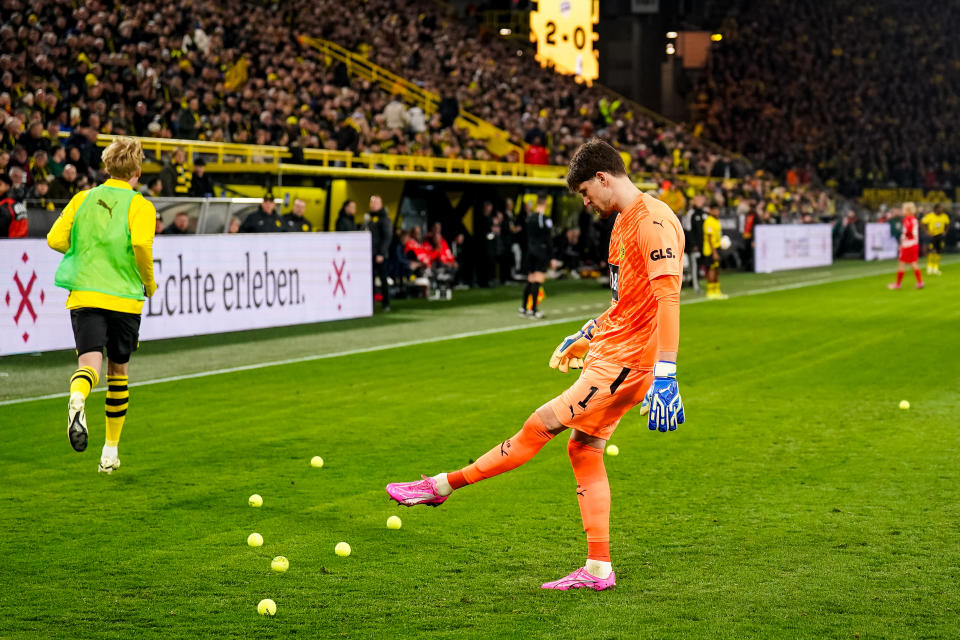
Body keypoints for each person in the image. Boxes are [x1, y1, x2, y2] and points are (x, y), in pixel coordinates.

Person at [386, 138, 686, 591]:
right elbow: (627, 302)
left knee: (541, 424)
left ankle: (444, 485)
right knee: (582, 449)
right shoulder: (624, 222)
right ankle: (599, 568)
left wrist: (667, 373)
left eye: (586, 192)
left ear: (603, 178)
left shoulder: (654, 222)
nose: (585, 203)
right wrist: (586, 333)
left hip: (627, 364)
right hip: (613, 353)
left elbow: (668, 299)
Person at [45, 136, 158, 474]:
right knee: (118, 370)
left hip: (85, 294)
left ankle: (78, 397)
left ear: (107, 167)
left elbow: (54, 239)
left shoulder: (83, 198)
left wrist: (84, 248)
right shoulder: (140, 205)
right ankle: (110, 451)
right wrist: (149, 283)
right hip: (123, 297)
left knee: (89, 364)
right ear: (137, 171)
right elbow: (140, 242)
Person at [520, 195, 552, 319]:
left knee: (531, 279)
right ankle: (533, 310)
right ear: (544, 204)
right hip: (540, 252)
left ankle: (523, 308)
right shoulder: (544, 219)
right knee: (537, 280)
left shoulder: (529, 217)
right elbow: (548, 238)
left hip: (530, 251)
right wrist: (551, 256)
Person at [888, 202, 924, 290]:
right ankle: (920, 282)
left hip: (908, 245)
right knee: (913, 263)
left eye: (903, 209)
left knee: (902, 263)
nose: (902, 211)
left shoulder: (908, 219)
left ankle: (898, 284)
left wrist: (902, 243)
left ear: (908, 210)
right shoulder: (914, 219)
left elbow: (907, 232)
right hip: (914, 244)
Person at [366, 195, 393, 311]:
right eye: (372, 203)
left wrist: (381, 253)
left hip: (380, 255)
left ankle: (386, 303)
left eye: (375, 203)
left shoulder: (385, 219)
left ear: (380, 204)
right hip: (369, 254)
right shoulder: (369, 218)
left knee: (383, 279)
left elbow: (387, 237)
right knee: (369, 279)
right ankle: (370, 303)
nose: (373, 205)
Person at [701, 204, 726, 299]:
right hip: (710, 250)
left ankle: (717, 290)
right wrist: (714, 252)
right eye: (715, 210)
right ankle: (710, 291)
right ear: (710, 211)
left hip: (717, 248)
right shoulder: (708, 221)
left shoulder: (717, 221)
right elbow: (710, 238)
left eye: (717, 210)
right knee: (711, 270)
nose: (717, 212)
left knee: (717, 269)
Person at [921, 205, 950, 275]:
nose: (941, 209)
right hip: (932, 236)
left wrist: (945, 231)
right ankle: (929, 267)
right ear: (936, 209)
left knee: (938, 252)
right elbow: (923, 223)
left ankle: (936, 268)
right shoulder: (930, 216)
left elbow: (947, 224)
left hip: (940, 236)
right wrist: (926, 232)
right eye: (940, 208)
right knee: (931, 251)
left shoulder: (944, 216)